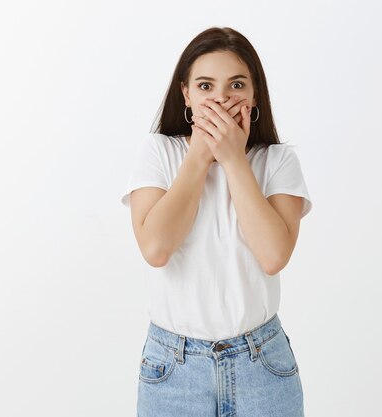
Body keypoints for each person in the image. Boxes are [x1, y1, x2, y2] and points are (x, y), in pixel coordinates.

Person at [120, 26, 312, 417]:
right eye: (206, 86)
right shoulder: (158, 153)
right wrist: (198, 157)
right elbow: (155, 249)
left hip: (262, 366)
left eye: (236, 84)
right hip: (173, 368)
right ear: (186, 94)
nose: (221, 99)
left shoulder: (276, 161)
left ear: (254, 94)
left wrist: (233, 159)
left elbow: (274, 256)